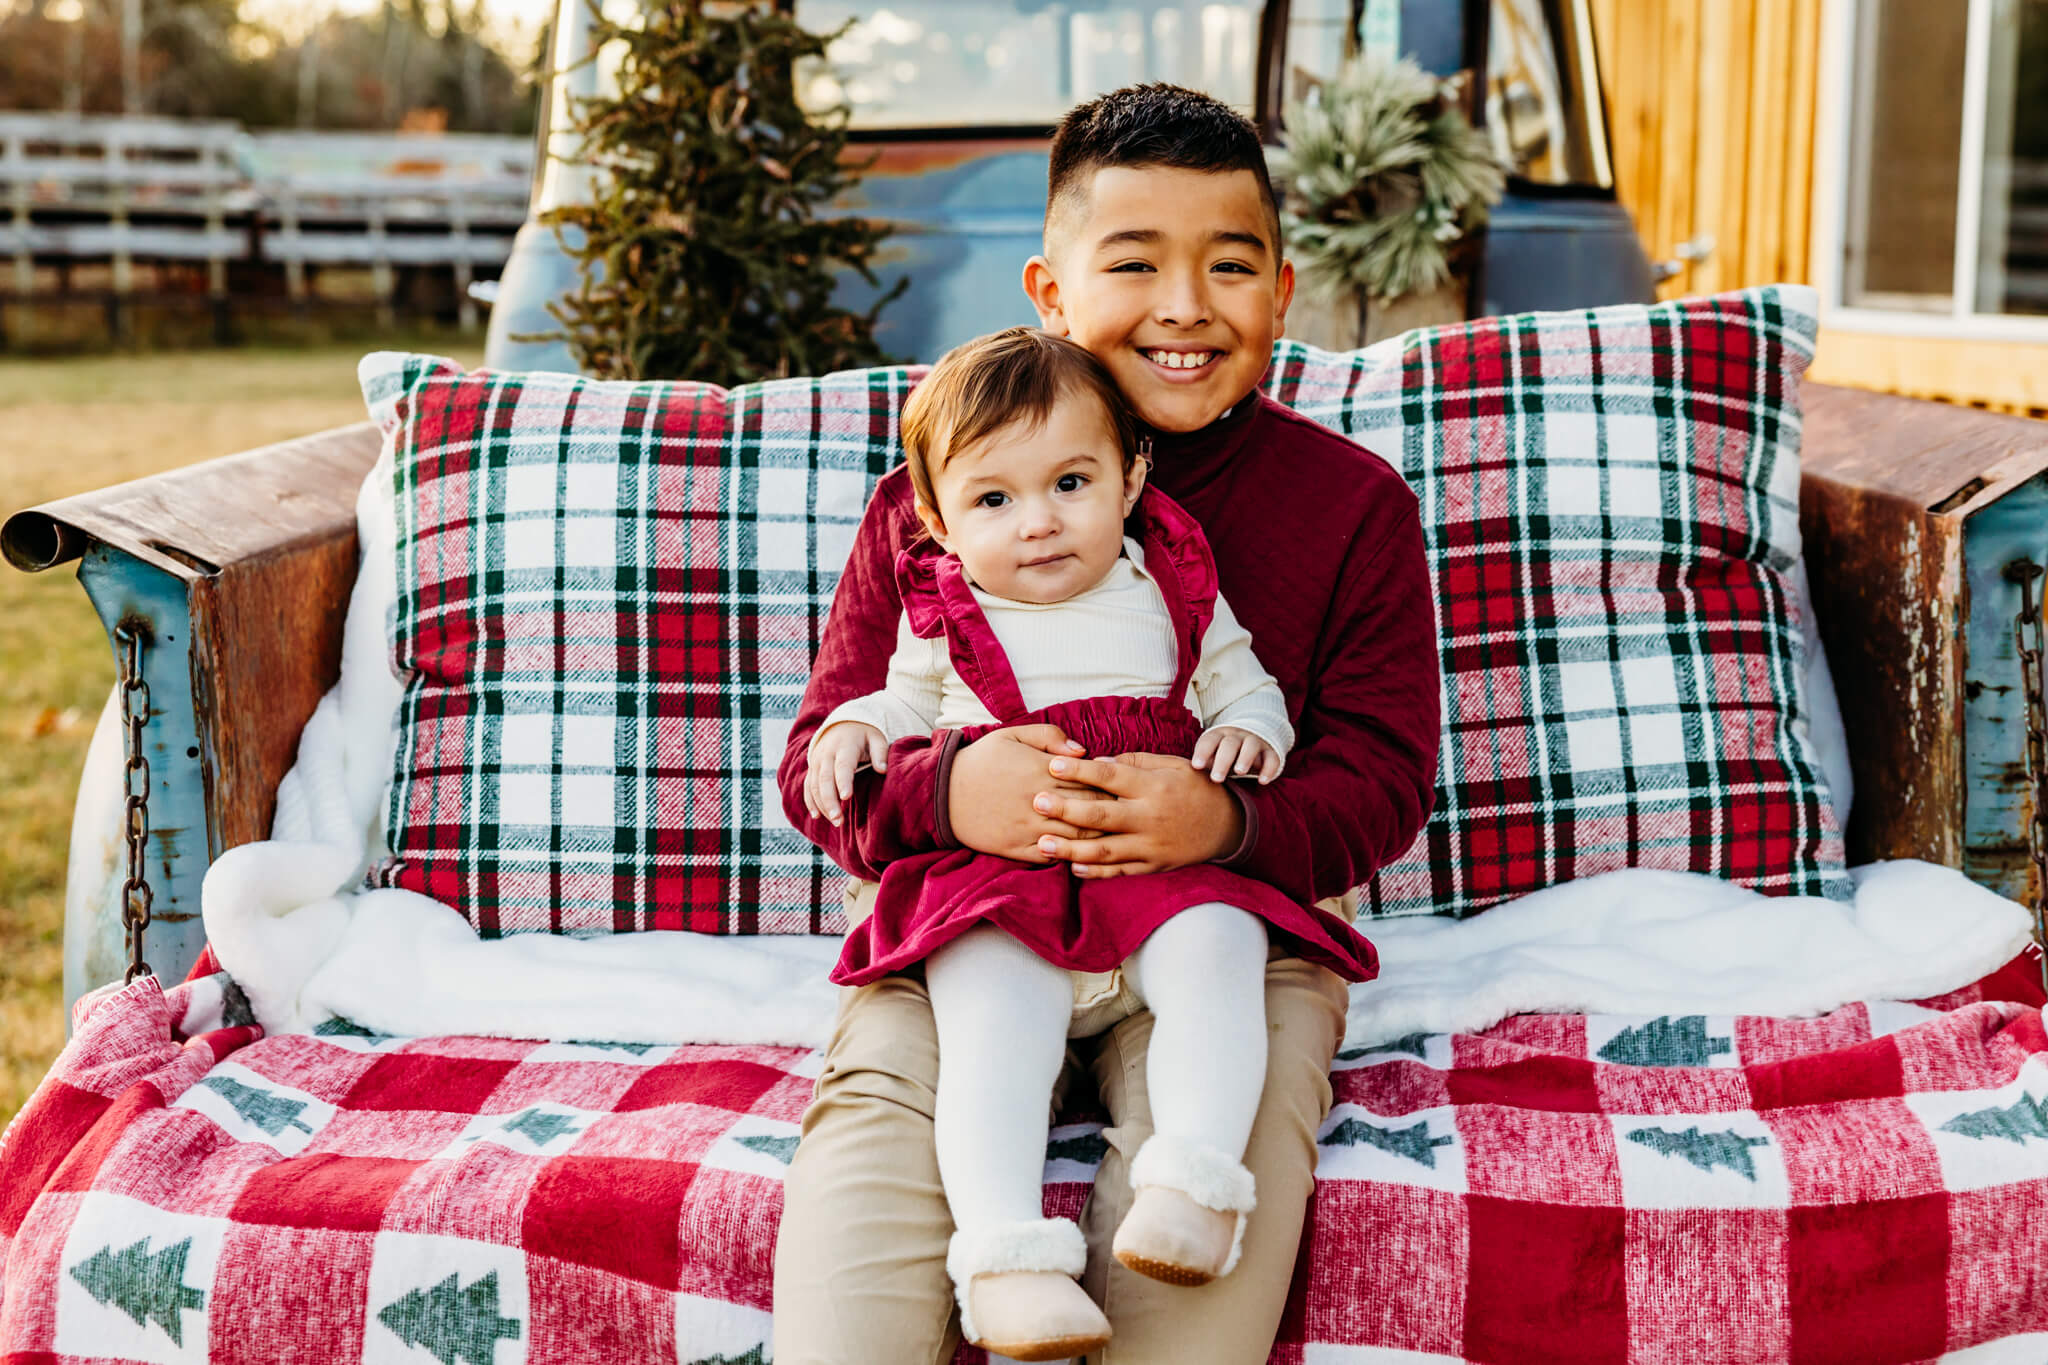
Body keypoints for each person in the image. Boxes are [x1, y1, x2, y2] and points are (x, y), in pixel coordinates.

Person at [773, 82, 1441, 1364]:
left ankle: (1179, 1231)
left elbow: (1382, 777)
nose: (1185, 305)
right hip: (963, 906)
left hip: (1232, 917)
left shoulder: (1350, 505)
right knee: (864, 1205)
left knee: (1207, 1202)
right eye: (1134, 262)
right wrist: (947, 793)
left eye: (1228, 265)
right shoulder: (936, 498)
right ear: (1049, 291)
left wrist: (1227, 819)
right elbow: (824, 763)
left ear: (1281, 293)